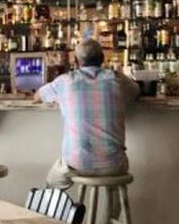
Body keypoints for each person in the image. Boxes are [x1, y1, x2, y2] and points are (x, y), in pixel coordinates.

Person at [34, 38, 138, 189]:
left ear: (76, 61)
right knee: (112, 181)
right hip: (115, 165)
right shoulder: (118, 79)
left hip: (77, 164)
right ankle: (111, 208)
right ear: (102, 58)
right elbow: (135, 92)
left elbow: (37, 96)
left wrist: (61, 98)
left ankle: (53, 202)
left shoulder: (64, 81)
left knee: (51, 184)